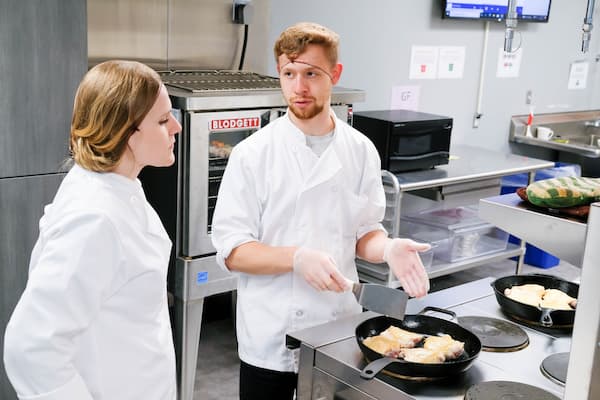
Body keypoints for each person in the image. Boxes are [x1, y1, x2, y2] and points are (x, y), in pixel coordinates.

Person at [211, 22, 431, 400]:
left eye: (311, 73)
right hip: (272, 333)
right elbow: (233, 251)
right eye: (289, 73)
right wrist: (296, 258)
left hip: (336, 325)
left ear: (335, 75)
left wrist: (388, 248)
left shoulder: (359, 149)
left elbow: (364, 231)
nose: (299, 87)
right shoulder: (253, 154)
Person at [3, 60, 181, 400]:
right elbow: (30, 348)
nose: (176, 127)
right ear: (125, 133)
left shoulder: (118, 185)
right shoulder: (96, 219)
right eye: (162, 120)